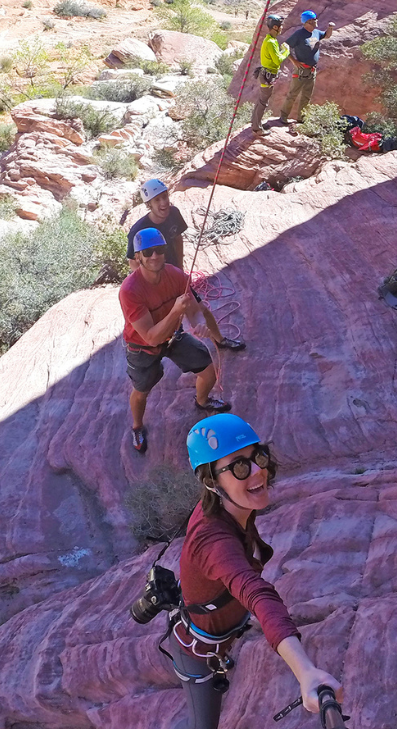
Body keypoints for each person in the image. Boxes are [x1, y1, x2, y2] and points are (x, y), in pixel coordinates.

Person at [170, 413, 342, 729]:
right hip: (198, 654)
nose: (257, 470)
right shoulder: (214, 540)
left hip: (216, 634)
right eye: (238, 466)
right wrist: (305, 672)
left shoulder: (226, 505)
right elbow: (257, 594)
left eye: (257, 455)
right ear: (211, 481)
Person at [119, 228, 232, 453]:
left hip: (173, 336)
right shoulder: (130, 291)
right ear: (138, 256)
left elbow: (193, 309)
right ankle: (137, 426)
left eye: (159, 250)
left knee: (208, 370)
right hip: (142, 348)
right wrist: (173, 313)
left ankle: (202, 401)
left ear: (165, 251)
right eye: (147, 251)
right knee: (142, 390)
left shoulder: (176, 276)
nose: (154, 256)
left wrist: (198, 323)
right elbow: (151, 338)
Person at [127, 179, 245, 352]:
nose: (163, 203)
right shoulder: (139, 230)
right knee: (166, 318)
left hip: (174, 277)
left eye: (165, 197)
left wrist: (180, 269)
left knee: (201, 308)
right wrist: (151, 285)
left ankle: (219, 340)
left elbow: (177, 238)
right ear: (149, 204)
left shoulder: (174, 213)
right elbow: (133, 261)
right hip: (154, 281)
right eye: (157, 200)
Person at [278, 10, 335, 125]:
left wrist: (330, 28)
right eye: (313, 20)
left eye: (315, 20)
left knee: (306, 96)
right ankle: (283, 116)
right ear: (307, 22)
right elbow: (284, 46)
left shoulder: (316, 33)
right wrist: (294, 61)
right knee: (293, 94)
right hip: (301, 70)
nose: (315, 22)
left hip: (312, 70)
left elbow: (326, 35)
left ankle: (301, 118)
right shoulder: (299, 34)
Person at [250, 14, 291, 136]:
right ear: (275, 27)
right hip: (268, 75)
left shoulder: (269, 39)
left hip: (267, 74)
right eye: (280, 26)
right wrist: (286, 51)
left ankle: (255, 123)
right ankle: (257, 128)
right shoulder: (271, 42)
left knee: (262, 100)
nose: (282, 28)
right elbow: (277, 60)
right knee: (263, 101)